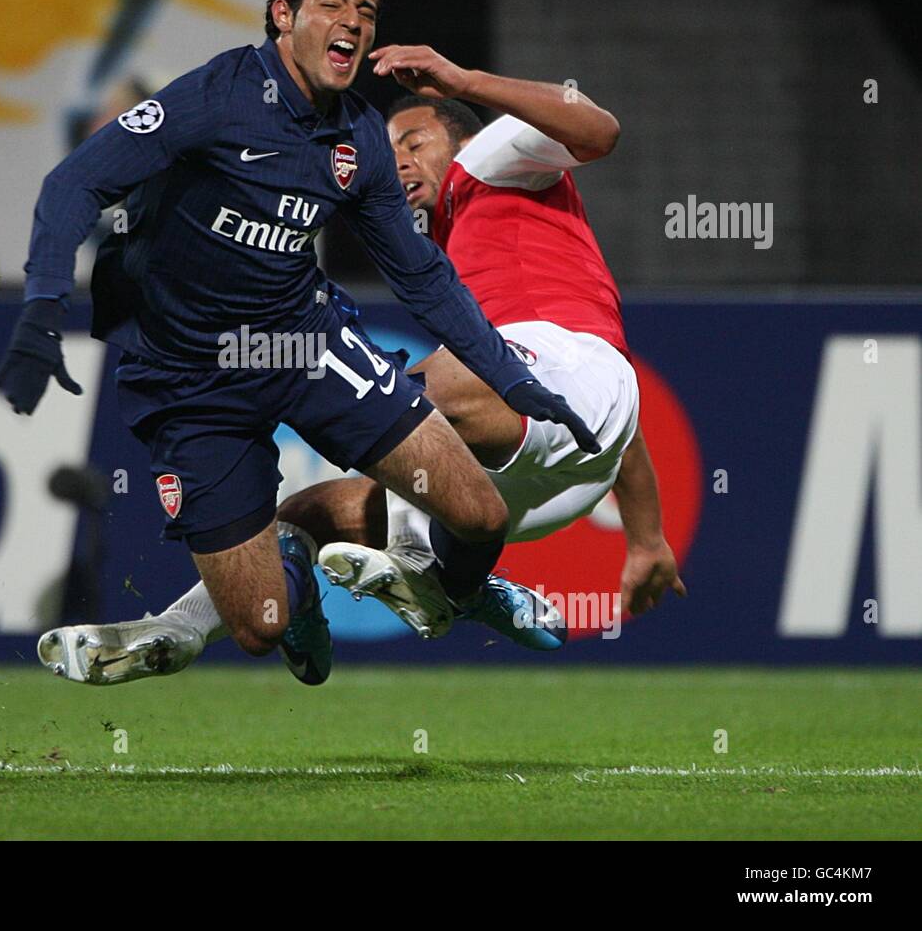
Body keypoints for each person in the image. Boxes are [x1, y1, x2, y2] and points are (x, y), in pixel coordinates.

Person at [0, 0, 599, 687]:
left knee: (478, 516)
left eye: (368, 12)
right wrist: (41, 311)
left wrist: (514, 383)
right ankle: (296, 589)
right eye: (333, 4)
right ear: (284, 16)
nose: (353, 23)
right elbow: (72, 185)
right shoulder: (214, 99)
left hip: (302, 345)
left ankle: (463, 593)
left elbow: (423, 277)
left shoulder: (360, 142)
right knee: (259, 628)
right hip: (190, 379)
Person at [51, 42, 685, 681]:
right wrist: (647, 537)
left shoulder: (491, 161)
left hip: (560, 382)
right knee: (306, 514)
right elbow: (603, 419)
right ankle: (184, 627)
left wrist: (464, 78)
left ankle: (430, 570)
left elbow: (600, 129)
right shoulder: (436, 251)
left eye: (414, 140)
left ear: (460, 136)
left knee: (398, 401)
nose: (399, 158)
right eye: (389, 149)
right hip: (560, 471)